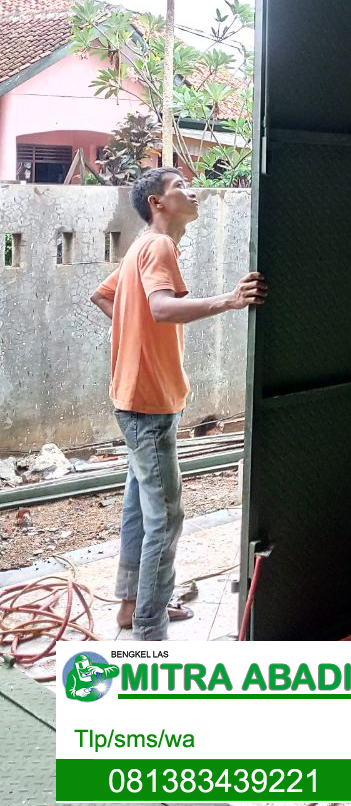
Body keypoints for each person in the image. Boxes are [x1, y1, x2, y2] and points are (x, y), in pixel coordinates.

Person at [90, 167, 267, 641]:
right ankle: (149, 629)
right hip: (147, 406)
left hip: (141, 399)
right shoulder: (159, 246)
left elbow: (103, 296)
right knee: (166, 516)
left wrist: (135, 338)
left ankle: (133, 607)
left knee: (139, 511)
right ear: (157, 203)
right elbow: (162, 308)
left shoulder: (142, 248)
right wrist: (229, 301)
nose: (191, 192)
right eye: (178, 188)